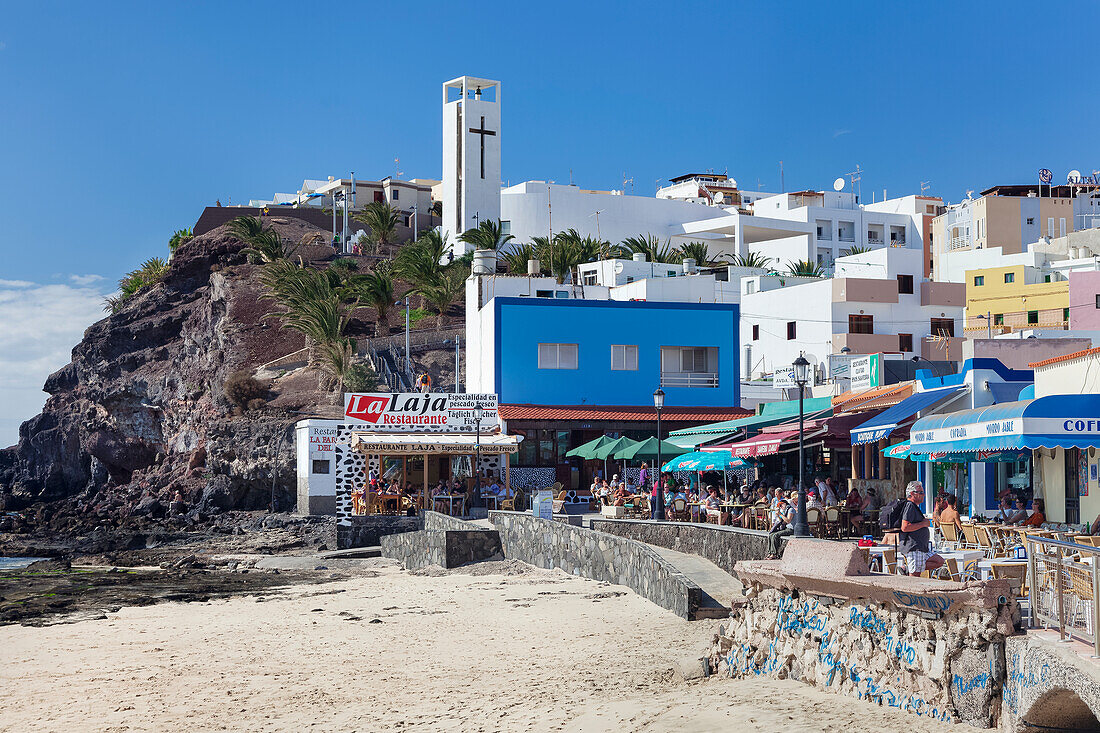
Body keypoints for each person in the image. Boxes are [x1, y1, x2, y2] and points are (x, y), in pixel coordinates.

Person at [899, 481, 944, 576]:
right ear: (912, 494)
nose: (923, 495)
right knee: (915, 577)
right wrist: (923, 524)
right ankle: (910, 572)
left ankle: (908, 568)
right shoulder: (910, 506)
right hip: (914, 547)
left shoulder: (914, 507)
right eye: (920, 493)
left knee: (939, 561)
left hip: (921, 547)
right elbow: (905, 527)